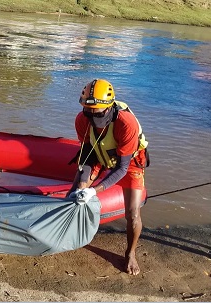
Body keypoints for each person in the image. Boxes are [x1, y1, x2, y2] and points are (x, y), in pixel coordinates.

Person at [68, 79, 149, 275]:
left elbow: (121, 168)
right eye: (89, 111)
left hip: (128, 163)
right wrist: (82, 185)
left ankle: (130, 254)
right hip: (99, 154)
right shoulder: (82, 120)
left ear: (109, 107)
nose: (93, 117)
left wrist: (94, 191)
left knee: (133, 213)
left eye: (98, 112)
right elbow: (87, 155)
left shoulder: (125, 123)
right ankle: (70, 234)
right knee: (75, 192)